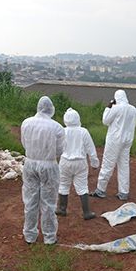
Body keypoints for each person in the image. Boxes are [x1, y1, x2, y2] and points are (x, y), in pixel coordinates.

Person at [21, 96, 65, 245]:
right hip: (48, 165)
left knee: (30, 200)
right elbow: (60, 150)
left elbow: (24, 143)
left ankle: (29, 235)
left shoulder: (26, 123)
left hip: (30, 163)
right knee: (48, 201)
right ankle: (49, 236)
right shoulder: (57, 127)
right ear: (51, 108)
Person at [91, 89, 136, 201]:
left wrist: (108, 107)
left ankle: (101, 189)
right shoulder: (133, 109)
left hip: (115, 140)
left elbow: (105, 121)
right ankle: (123, 192)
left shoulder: (116, 108)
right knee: (124, 165)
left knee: (107, 164)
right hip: (127, 140)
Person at [56, 108, 100, 220]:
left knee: (63, 185)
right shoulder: (83, 131)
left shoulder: (62, 131)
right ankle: (86, 212)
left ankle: (62, 208)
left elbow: (58, 148)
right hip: (80, 162)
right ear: (78, 118)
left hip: (65, 161)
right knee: (82, 187)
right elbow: (91, 148)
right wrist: (94, 163)